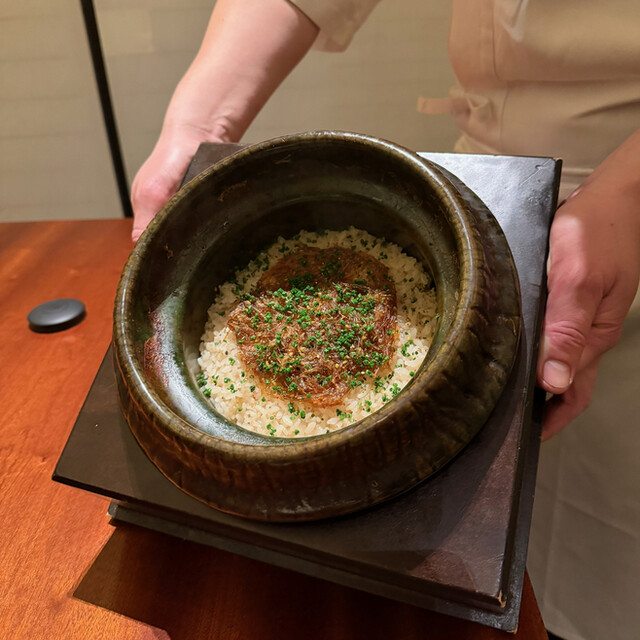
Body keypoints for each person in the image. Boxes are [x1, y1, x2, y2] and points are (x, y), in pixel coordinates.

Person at [130, 2, 640, 638]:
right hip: (490, 189)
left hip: (620, 217)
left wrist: (628, 196)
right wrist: (198, 125)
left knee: (591, 570)